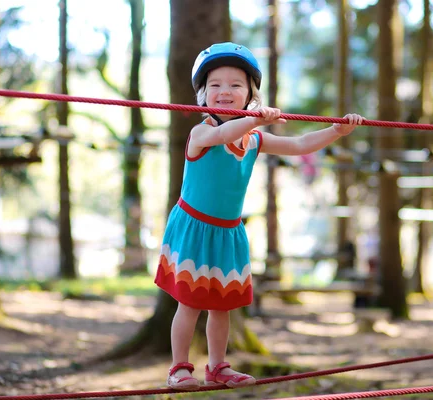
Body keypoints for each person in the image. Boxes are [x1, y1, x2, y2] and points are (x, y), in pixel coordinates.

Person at [154, 42, 363, 391]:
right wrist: (255, 118)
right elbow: (223, 134)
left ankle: (218, 366)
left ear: (250, 94)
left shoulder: (252, 139)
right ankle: (178, 368)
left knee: (222, 306)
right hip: (195, 228)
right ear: (203, 95)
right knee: (189, 303)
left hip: (228, 232)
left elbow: (298, 145)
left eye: (236, 85)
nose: (225, 91)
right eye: (216, 84)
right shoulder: (202, 132)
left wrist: (336, 131)